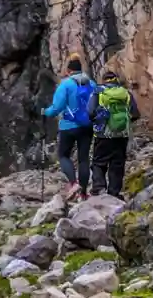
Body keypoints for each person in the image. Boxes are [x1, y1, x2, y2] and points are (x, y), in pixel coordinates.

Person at [42, 54, 97, 200]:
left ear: (68, 71)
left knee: (63, 155)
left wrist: (45, 111)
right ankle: (84, 193)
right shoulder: (91, 84)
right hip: (87, 126)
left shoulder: (65, 85)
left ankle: (73, 183)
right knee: (84, 159)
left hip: (69, 126)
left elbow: (56, 108)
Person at [87, 71, 140, 199]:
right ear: (116, 80)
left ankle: (99, 187)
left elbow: (90, 111)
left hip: (103, 134)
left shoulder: (98, 92)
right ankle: (114, 192)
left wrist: (98, 120)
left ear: (104, 80)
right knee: (117, 164)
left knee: (99, 162)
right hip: (122, 135)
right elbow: (135, 114)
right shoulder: (126, 93)